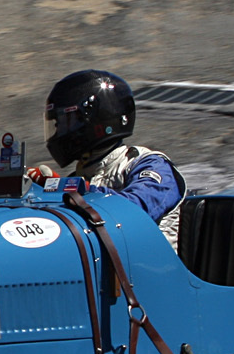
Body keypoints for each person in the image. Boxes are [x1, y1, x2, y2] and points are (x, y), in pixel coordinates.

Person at [31, 70, 185, 243]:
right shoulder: (81, 177)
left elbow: (135, 210)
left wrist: (73, 190)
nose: (59, 131)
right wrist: (42, 191)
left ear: (93, 119)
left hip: (153, 266)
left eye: (65, 121)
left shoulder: (150, 164)